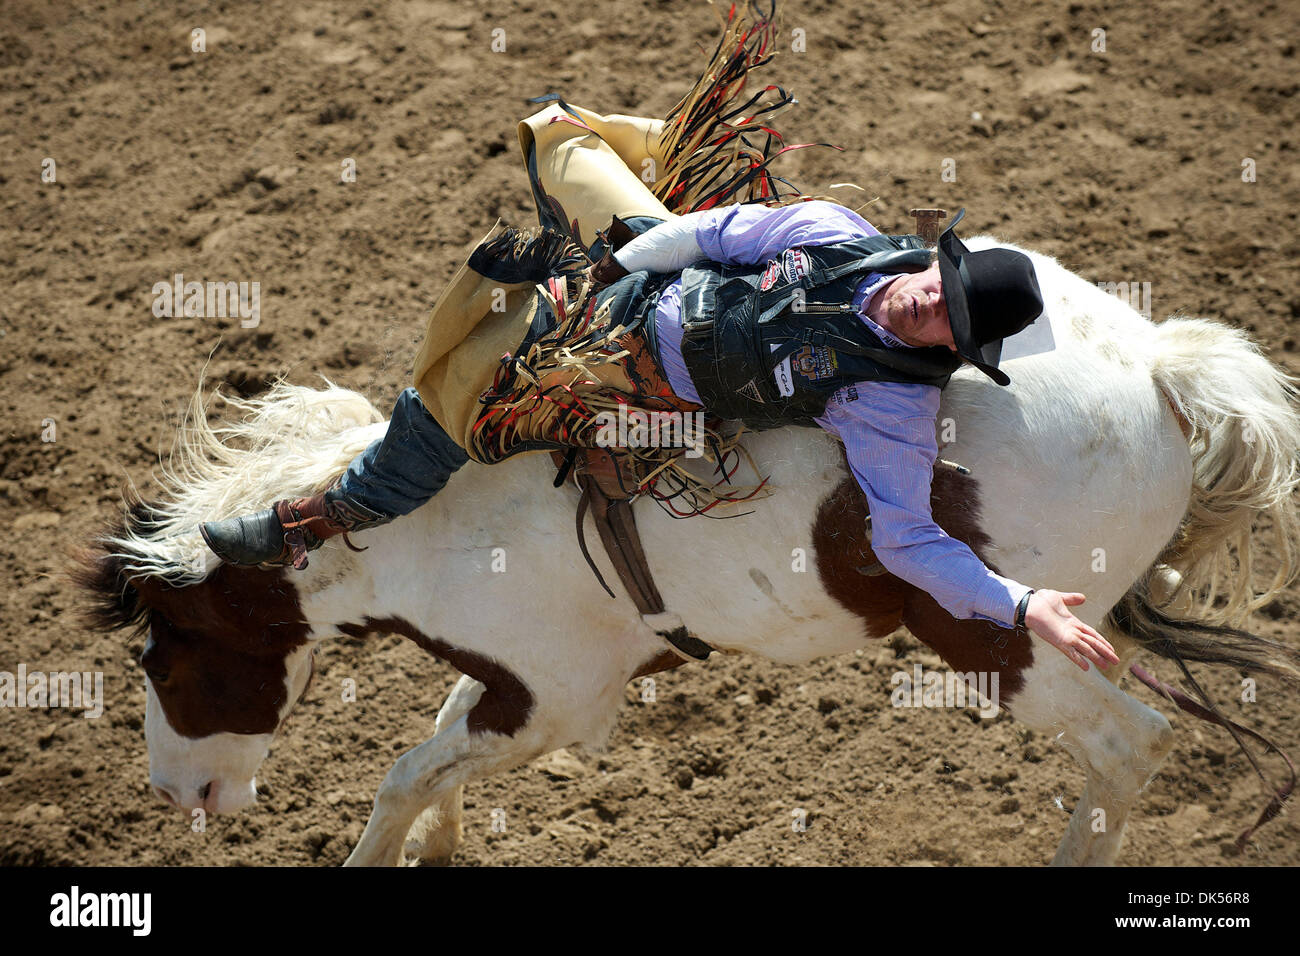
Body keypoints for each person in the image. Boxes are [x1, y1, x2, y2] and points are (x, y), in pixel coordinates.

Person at [199, 103, 1118, 675]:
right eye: (939, 287)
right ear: (936, 263)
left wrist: (1020, 602)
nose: (928, 305)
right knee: (558, 133)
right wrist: (619, 266)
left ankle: (314, 519)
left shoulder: (889, 404)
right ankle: (629, 159)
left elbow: (908, 537)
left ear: (954, 348)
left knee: (459, 411)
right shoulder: (837, 233)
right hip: (642, 275)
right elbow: (716, 235)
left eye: (947, 321)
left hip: (644, 399)